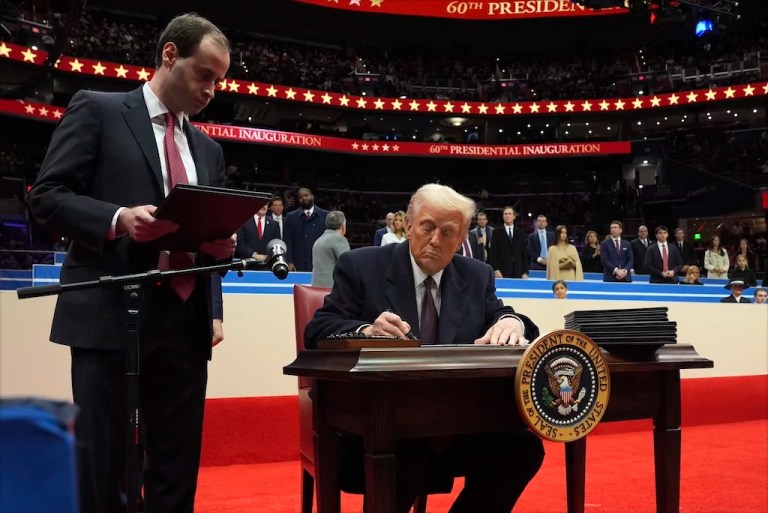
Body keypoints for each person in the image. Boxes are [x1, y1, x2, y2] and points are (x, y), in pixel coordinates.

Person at [26, 13, 234, 513]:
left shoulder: (209, 150)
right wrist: (118, 219)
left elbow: (207, 234)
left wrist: (218, 262)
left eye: (219, 81)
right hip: (110, 314)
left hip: (185, 323)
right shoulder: (97, 110)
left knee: (176, 470)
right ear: (169, 55)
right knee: (106, 467)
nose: (211, 91)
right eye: (204, 75)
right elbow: (47, 197)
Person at [305, 183, 543, 513]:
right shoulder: (361, 266)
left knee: (522, 448)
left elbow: (501, 314)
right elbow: (318, 329)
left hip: (452, 424)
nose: (435, 240)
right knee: (407, 458)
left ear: (462, 238)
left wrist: (511, 322)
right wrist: (366, 331)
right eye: (427, 227)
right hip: (374, 426)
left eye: (448, 233)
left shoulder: (477, 275)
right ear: (408, 225)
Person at [283, 187, 328, 271]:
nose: (303, 198)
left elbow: (329, 241)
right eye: (300, 197)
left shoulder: (325, 216)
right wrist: (289, 261)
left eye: (306, 195)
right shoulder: (291, 217)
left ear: (312, 196)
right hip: (298, 263)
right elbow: (288, 241)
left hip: (320, 263)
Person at [310, 210, 350, 288]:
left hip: (316, 289)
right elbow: (347, 266)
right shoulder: (339, 239)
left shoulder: (319, 240)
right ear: (343, 226)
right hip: (331, 290)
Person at [489, 206, 529, 279]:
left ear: (514, 216)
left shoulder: (520, 232)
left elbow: (524, 254)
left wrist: (525, 272)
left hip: (518, 271)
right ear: (503, 216)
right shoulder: (496, 232)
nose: (507, 216)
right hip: (502, 271)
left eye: (509, 214)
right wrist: (496, 269)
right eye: (505, 214)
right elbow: (493, 253)